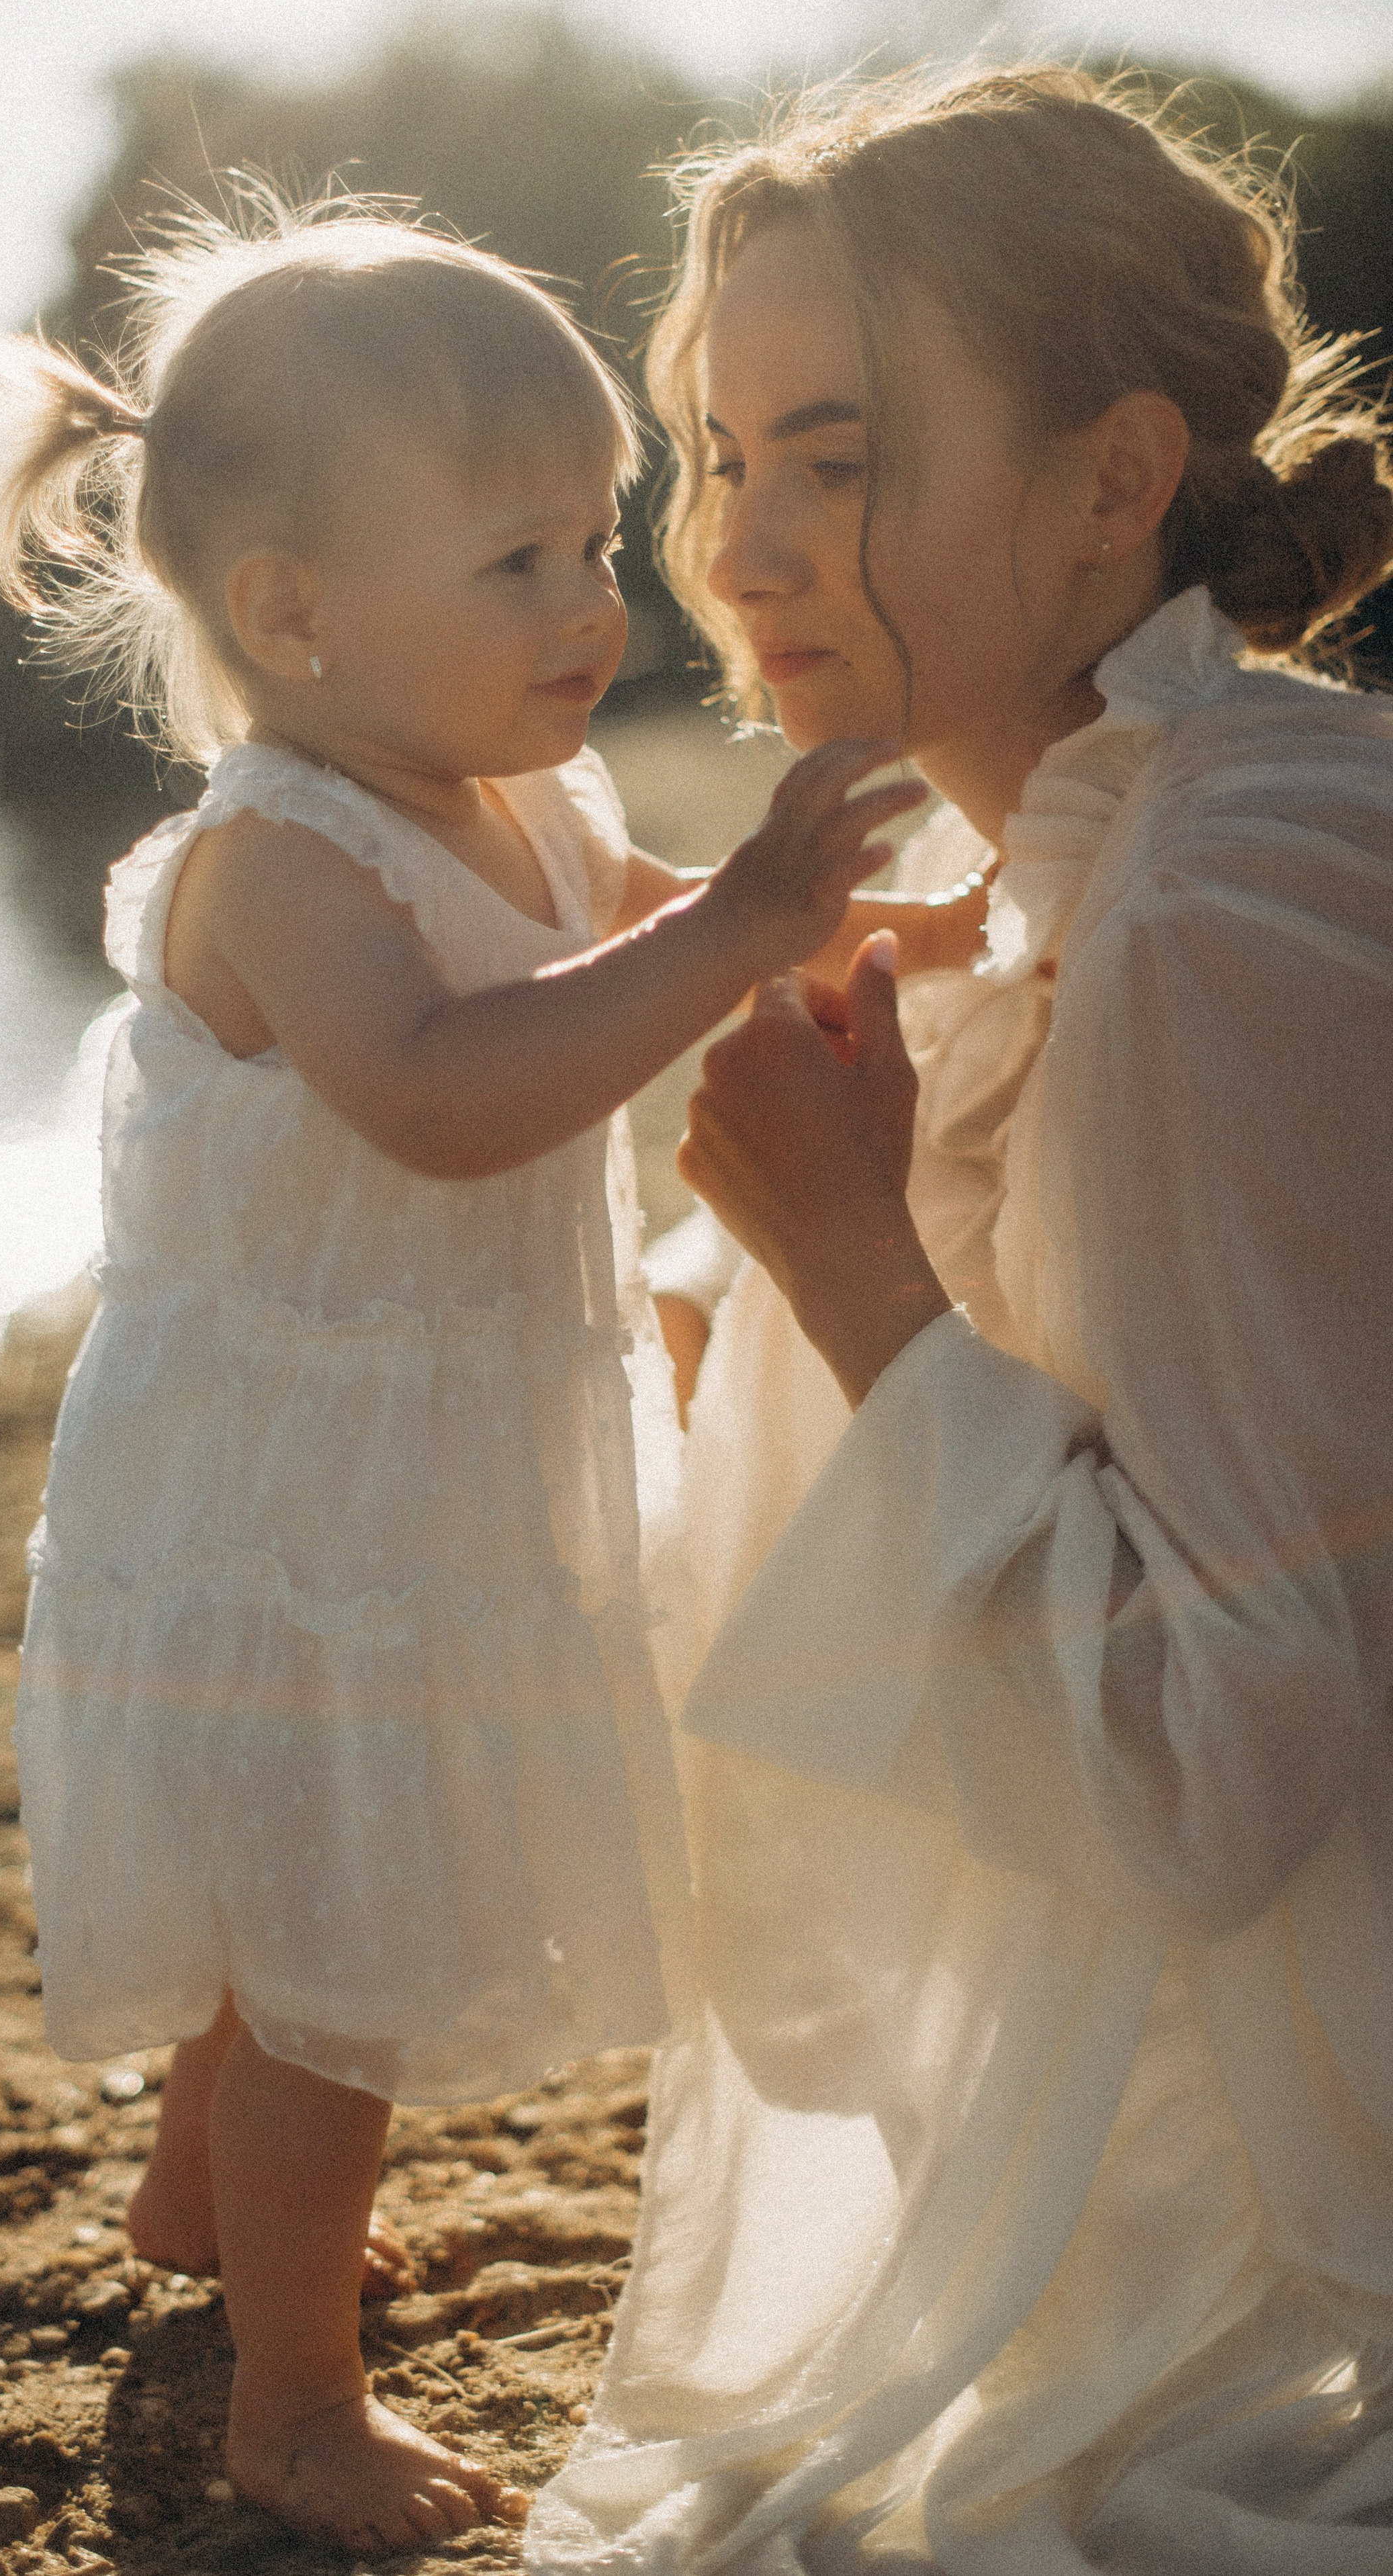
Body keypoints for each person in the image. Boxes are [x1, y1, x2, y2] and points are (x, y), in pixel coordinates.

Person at [0, 200, 933, 2557]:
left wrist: (878, 931)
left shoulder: (540, 800)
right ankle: (294, 2401)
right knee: (332, 1967)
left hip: (439, 1457)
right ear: (294, 613)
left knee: (289, 1894)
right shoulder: (271, 862)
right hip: (312, 1499)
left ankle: (203, 2206)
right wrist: (738, 931)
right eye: (517, 561)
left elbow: (629, 948)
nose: (596, 609)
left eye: (595, 542)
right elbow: (451, 1089)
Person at [530, 67, 1393, 2575]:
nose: (748, 548)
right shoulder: (1183, 827)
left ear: (1121, 477)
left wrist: (862, 1273)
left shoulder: (1214, 914)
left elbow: (1218, 1771)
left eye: (841, 454)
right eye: (716, 457)